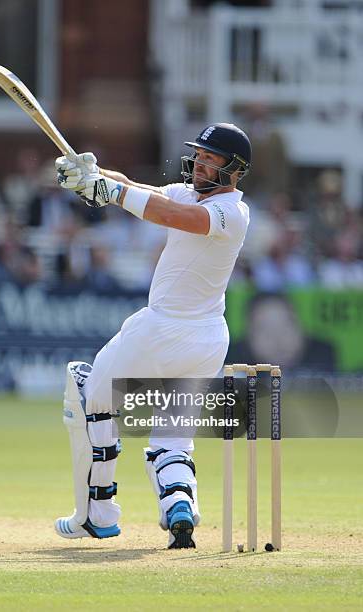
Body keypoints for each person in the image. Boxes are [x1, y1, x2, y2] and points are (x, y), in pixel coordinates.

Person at [54, 123, 252, 549]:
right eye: (197, 154)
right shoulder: (191, 193)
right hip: (209, 341)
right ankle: (179, 508)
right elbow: (146, 192)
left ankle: (97, 513)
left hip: (163, 330)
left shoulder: (231, 213)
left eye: (210, 158)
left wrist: (109, 191)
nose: (199, 162)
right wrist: (94, 174)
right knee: (171, 441)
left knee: (88, 392)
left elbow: (171, 216)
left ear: (234, 169)